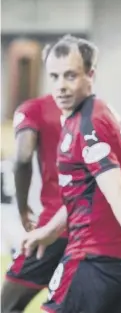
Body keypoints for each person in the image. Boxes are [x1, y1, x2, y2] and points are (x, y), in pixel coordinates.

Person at [20, 35, 121, 313]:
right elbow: (87, 191)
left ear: (91, 75)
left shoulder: (89, 123)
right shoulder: (85, 116)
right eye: (54, 77)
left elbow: (114, 187)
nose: (61, 86)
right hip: (119, 264)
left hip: (93, 259)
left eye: (70, 76)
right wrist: (49, 231)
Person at [2, 94, 66, 313]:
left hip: (54, 228)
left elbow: (22, 158)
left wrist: (22, 209)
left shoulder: (35, 109)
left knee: (6, 305)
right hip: (93, 229)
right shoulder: (102, 113)